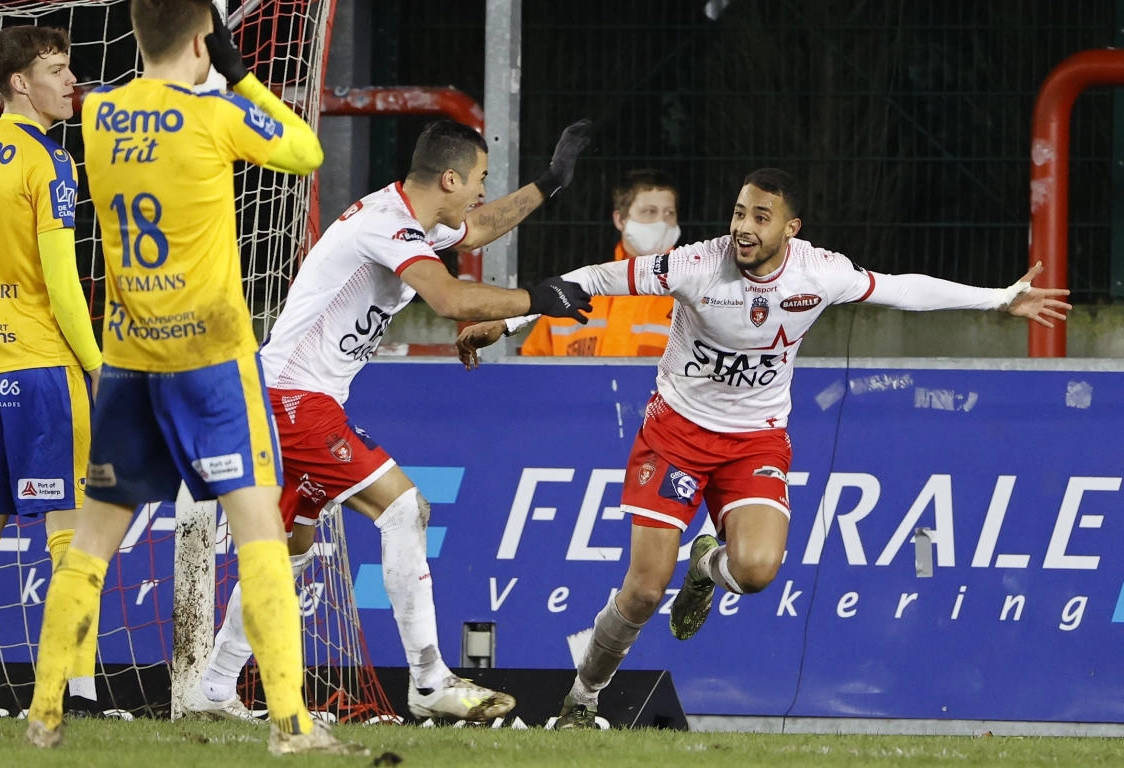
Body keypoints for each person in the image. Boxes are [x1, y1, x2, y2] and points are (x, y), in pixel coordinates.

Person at [457, 167, 1071, 728]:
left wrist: (997, 298)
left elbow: (900, 287)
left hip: (755, 442)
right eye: (738, 212)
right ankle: (582, 702)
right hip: (674, 434)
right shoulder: (696, 264)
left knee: (755, 572)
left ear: (790, 228)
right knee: (644, 590)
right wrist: (508, 320)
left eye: (759, 217)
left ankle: (706, 567)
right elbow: (595, 280)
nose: (743, 227)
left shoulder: (818, 272)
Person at [23, 0, 360, 755]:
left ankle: (43, 713)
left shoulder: (99, 113)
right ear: (204, 41)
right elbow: (306, 152)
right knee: (258, 536)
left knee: (93, 542)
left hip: (130, 360)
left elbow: (101, 89)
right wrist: (238, 75)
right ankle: (290, 725)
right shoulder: (216, 113)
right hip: (210, 360)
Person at [185, 118, 594, 724]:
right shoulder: (388, 224)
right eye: (480, 177)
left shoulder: (420, 215)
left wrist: (551, 182)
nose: (483, 189)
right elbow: (451, 299)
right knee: (403, 508)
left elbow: (476, 229)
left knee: (288, 551)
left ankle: (214, 689)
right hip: (290, 399)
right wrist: (535, 300)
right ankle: (429, 680)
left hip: (288, 398)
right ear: (449, 177)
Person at [0, 26, 103, 719]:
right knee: (72, 531)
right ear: (19, 83)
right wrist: (98, 366)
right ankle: (78, 690)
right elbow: (63, 284)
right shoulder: (49, 162)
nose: (71, 82)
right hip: (41, 366)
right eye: (57, 70)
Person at [520, 168, 680, 357]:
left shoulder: (693, 293)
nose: (662, 222)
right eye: (649, 212)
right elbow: (533, 369)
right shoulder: (577, 290)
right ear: (620, 219)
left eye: (669, 213)